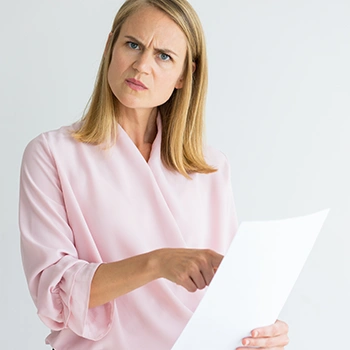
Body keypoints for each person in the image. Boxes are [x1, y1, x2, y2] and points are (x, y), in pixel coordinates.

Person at [19, 0, 290, 349]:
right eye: (133, 45)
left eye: (164, 56)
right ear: (110, 46)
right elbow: (53, 294)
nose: (142, 66)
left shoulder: (210, 167)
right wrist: (158, 262)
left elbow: (229, 291)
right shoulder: (52, 155)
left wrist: (262, 331)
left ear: (184, 75)